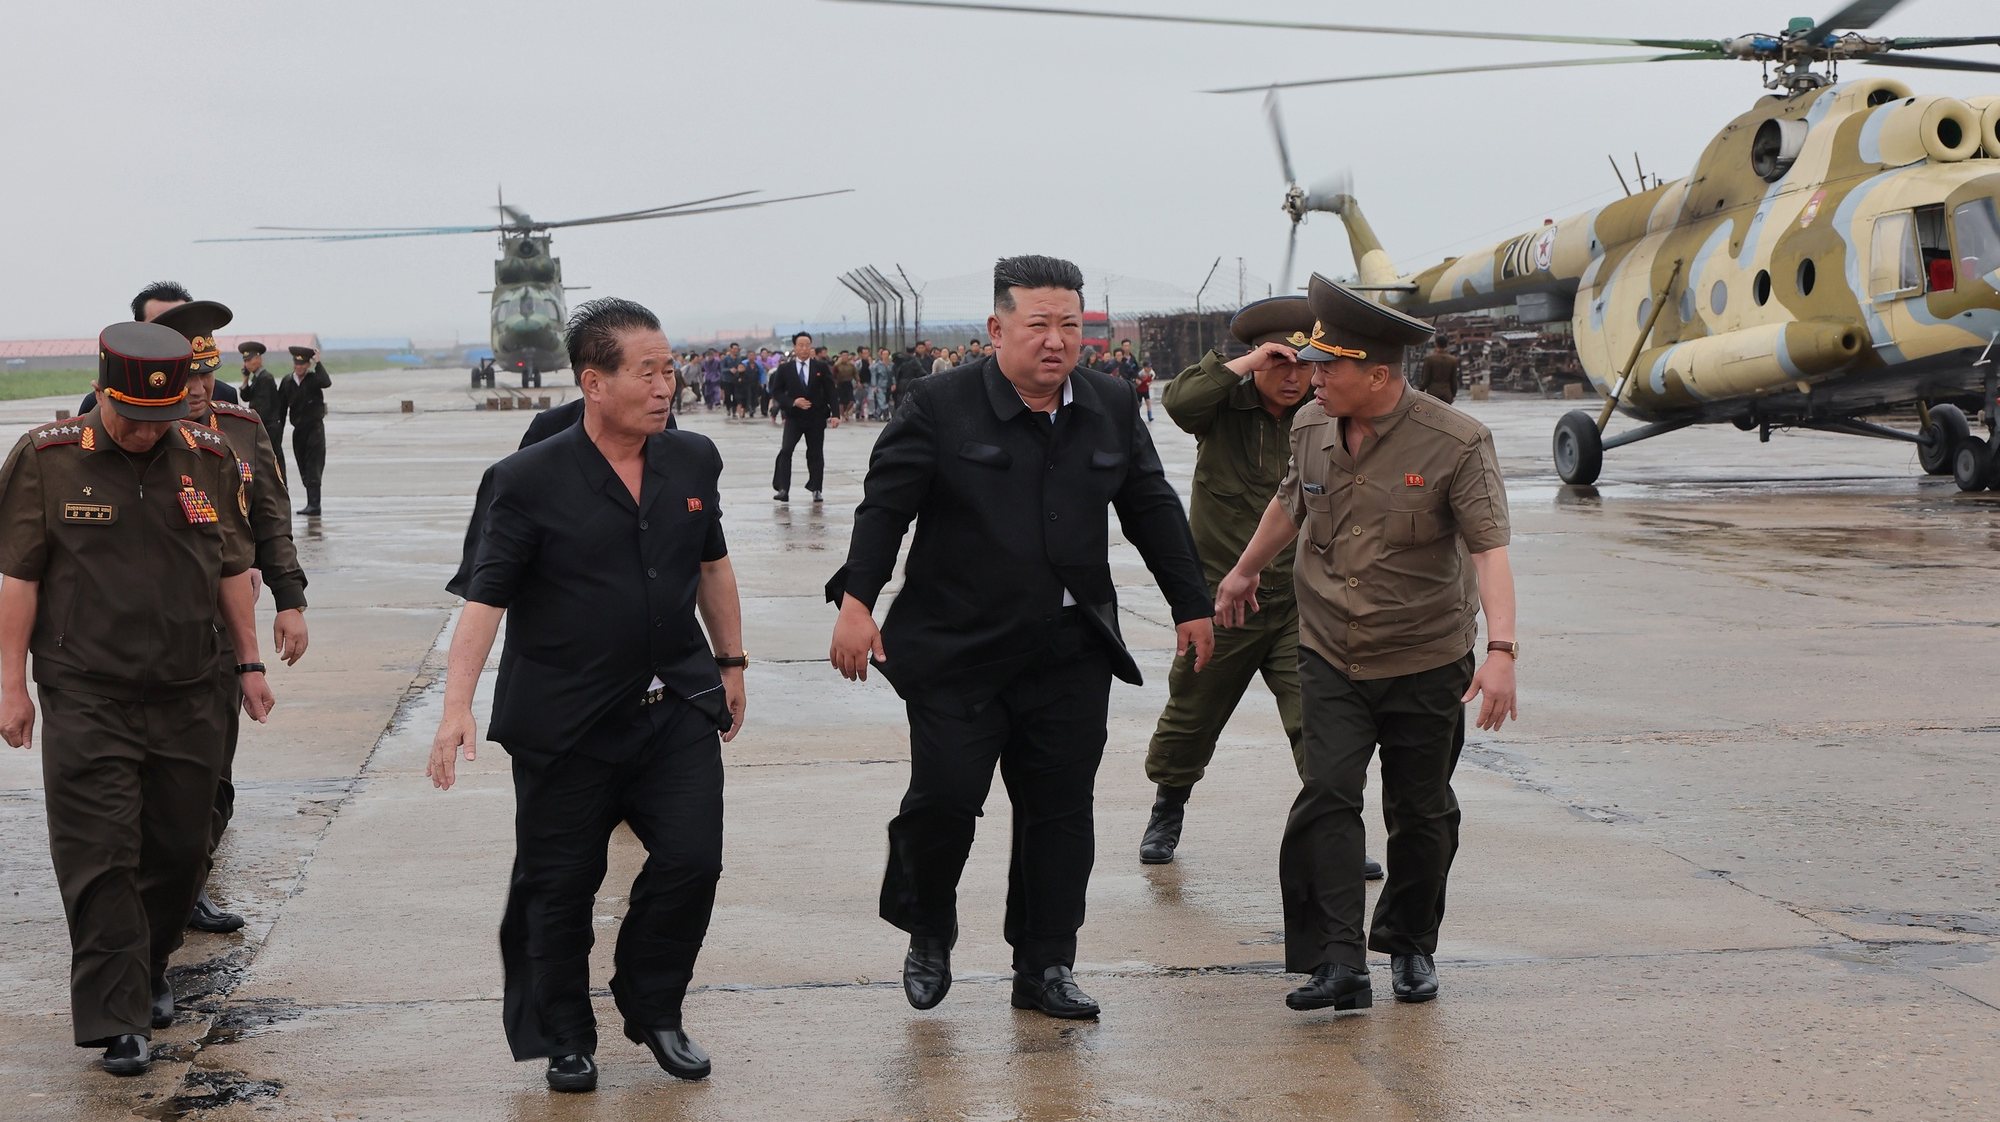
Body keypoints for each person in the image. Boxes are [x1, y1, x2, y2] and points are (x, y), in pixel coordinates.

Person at [828, 254, 1214, 1022]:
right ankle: (928, 927)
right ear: (996, 328)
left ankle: (1045, 965)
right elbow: (885, 509)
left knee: (1061, 814)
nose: (1055, 340)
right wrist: (856, 600)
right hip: (957, 652)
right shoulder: (938, 404)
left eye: (1069, 325)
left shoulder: (1108, 405)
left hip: (1069, 652)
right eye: (1038, 325)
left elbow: (1152, 508)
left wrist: (1190, 603)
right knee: (942, 803)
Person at [431, 298, 746, 1094]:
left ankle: (654, 1004)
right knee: (559, 886)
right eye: (648, 372)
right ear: (593, 383)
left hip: (672, 706)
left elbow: (712, 564)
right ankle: (566, 1035)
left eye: (670, 369)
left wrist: (732, 663)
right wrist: (456, 706)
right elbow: (485, 600)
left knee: (692, 862)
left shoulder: (692, 460)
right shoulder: (527, 480)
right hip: (566, 722)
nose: (666, 385)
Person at [1214, 275, 1518, 1014]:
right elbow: (1293, 503)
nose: (1310, 378)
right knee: (1327, 797)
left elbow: (1489, 551)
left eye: (1328, 367)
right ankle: (1339, 963)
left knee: (1421, 813)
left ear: (1377, 375)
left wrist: (1502, 650)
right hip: (1328, 648)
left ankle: (1410, 944)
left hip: (1424, 656)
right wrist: (1243, 572)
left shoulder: (1456, 442)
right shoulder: (1312, 426)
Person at [0, 321, 274, 1075]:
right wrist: (11, 687)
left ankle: (151, 965)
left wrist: (249, 662)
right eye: (135, 419)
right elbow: (18, 576)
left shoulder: (209, 456)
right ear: (103, 393)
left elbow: (229, 566)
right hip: (87, 690)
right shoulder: (48, 458)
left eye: (166, 418)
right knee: (101, 854)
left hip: (192, 685)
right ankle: (117, 1017)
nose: (150, 433)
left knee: (181, 849)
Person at [1138, 297, 1379, 880]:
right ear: (1256, 358)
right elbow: (1178, 402)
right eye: (1282, 363)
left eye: (1306, 364)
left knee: (1319, 722)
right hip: (1222, 602)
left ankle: (1338, 833)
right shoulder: (1223, 406)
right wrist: (1244, 365)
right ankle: (1168, 808)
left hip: (1303, 601)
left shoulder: (1327, 416)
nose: (1295, 377)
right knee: (1192, 714)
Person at [150, 303, 311, 935]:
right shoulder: (112, 427)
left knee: (210, 770)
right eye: (182, 374)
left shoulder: (241, 428)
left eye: (204, 373)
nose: (196, 390)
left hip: (222, 628)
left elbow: (271, 516)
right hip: (145, 625)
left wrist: (290, 599)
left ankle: (187, 887)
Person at [79, 282, 238, 417]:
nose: (197, 390)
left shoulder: (223, 396)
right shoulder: (107, 400)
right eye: (163, 326)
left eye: (181, 322)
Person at [769, 331, 839, 503]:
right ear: (795, 347)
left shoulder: (821, 368)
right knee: (786, 451)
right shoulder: (785, 369)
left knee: (815, 453)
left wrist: (836, 414)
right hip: (794, 418)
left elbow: (831, 391)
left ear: (811, 347)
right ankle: (783, 488)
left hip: (816, 417)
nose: (804, 348)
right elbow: (776, 391)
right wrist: (793, 402)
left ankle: (816, 488)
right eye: (800, 345)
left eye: (807, 345)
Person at [283, 345, 332, 516]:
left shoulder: (314, 379)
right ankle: (311, 502)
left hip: (315, 430)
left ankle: (314, 505)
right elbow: (281, 406)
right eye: (297, 364)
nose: (300, 367)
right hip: (299, 431)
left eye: (303, 364)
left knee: (313, 466)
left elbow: (326, 382)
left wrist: (318, 363)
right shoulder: (288, 382)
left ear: (308, 365)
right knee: (303, 465)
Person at [239, 342, 285, 474]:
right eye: (245, 361)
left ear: (259, 359)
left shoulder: (265, 378)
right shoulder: (256, 378)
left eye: (250, 360)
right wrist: (245, 379)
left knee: (273, 459)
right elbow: (246, 397)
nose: (248, 364)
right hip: (264, 425)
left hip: (269, 426)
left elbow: (262, 407)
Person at [1418, 335, 1460, 405]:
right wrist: (1453, 394)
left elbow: (1426, 380)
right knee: (1445, 415)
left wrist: (1420, 391)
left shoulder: (1429, 359)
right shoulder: (1453, 360)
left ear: (1436, 344)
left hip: (1433, 393)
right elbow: (1454, 380)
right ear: (1447, 344)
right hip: (1447, 393)